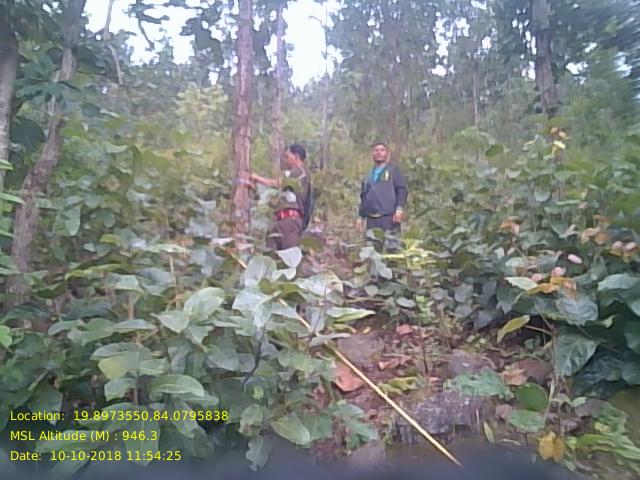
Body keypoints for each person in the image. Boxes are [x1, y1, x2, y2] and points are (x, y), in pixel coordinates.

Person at [250, 144, 311, 251]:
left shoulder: (300, 172)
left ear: (296, 156)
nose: (285, 161)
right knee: (271, 255)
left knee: (289, 257)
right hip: (279, 221)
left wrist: (257, 178)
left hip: (290, 222)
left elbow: (277, 184)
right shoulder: (292, 175)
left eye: (287, 157)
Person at [355, 142, 408, 253]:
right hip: (372, 220)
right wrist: (360, 217)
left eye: (382, 150)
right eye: (376, 150)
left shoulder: (393, 171)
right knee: (372, 252)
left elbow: (401, 190)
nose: (379, 152)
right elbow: (364, 197)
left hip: (389, 218)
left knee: (392, 251)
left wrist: (399, 209)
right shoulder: (368, 176)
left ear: (387, 154)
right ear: (373, 154)